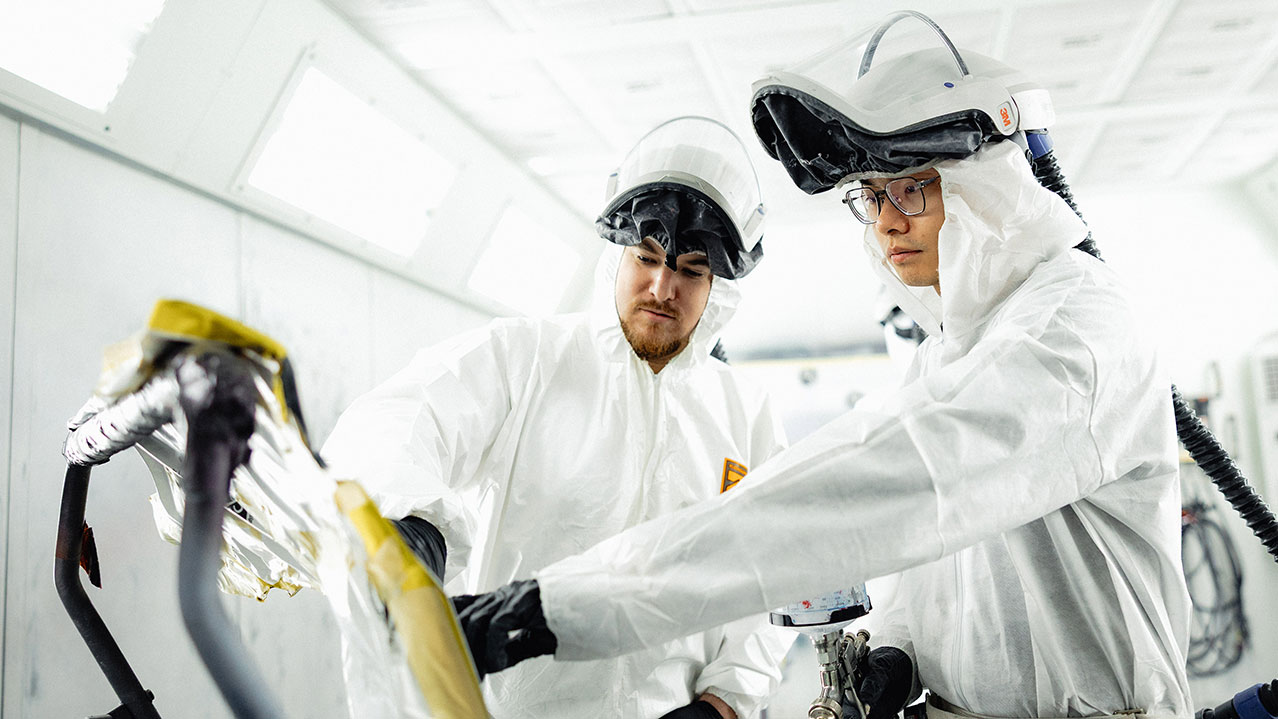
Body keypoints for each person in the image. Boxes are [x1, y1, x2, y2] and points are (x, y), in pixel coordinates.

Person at [454, 13, 1193, 719]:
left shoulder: (1075, 327)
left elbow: (895, 482)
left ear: (987, 184)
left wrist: (566, 603)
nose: (887, 221)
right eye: (871, 196)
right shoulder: (952, 346)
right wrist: (899, 652)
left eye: (911, 187)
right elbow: (937, 550)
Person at [321, 115, 793, 719]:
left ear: (718, 288)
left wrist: (727, 700)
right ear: (617, 257)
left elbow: (773, 574)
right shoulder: (525, 360)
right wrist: (407, 525)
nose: (661, 286)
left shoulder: (744, 415)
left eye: (690, 270)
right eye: (646, 256)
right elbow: (398, 420)